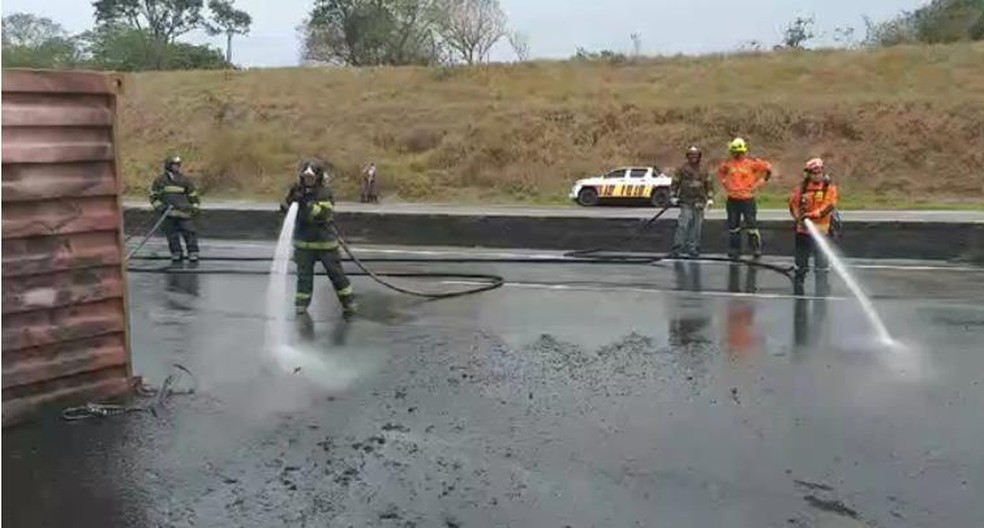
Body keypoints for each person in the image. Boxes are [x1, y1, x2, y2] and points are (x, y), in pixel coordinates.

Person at [280, 158, 357, 317]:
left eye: (311, 177)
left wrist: (306, 202)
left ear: (319, 177)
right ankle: (301, 305)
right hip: (303, 244)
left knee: (336, 275)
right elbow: (287, 208)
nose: (308, 180)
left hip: (325, 244)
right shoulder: (297, 189)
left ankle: (348, 301)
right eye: (306, 177)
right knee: (303, 278)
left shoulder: (325, 193)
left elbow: (320, 214)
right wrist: (289, 202)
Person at [788, 157, 839, 296]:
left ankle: (822, 288)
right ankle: (799, 285)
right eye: (813, 172)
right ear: (808, 173)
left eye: (819, 172)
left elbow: (829, 206)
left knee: (821, 265)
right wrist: (799, 218)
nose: (817, 175)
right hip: (803, 232)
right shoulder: (801, 188)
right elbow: (793, 205)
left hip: (822, 232)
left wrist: (811, 215)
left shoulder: (829, 188)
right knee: (801, 263)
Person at [717, 138, 773, 259]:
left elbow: (768, 169)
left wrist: (759, 184)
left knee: (751, 225)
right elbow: (721, 172)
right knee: (733, 226)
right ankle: (734, 249)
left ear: (744, 151)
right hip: (732, 199)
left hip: (747, 199)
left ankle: (755, 249)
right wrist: (725, 183)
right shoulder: (728, 164)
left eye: (740, 152)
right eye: (735, 152)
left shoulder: (752, 163)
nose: (737, 155)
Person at [149, 155, 201, 262]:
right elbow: (154, 197)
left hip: (183, 213)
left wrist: (194, 207)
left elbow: (193, 195)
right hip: (168, 214)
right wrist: (161, 207)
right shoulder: (160, 181)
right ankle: (176, 252)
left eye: (177, 165)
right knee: (172, 235)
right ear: (168, 165)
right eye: (174, 165)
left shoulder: (185, 180)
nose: (176, 167)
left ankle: (193, 252)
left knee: (190, 232)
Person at [669, 145, 714, 258]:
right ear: (687, 156)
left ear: (699, 156)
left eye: (696, 155)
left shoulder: (704, 170)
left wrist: (710, 198)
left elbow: (709, 185)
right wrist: (673, 195)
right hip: (686, 201)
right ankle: (677, 247)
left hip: (699, 201)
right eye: (691, 155)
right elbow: (675, 182)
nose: (693, 158)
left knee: (696, 226)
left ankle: (693, 248)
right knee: (683, 224)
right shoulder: (682, 169)